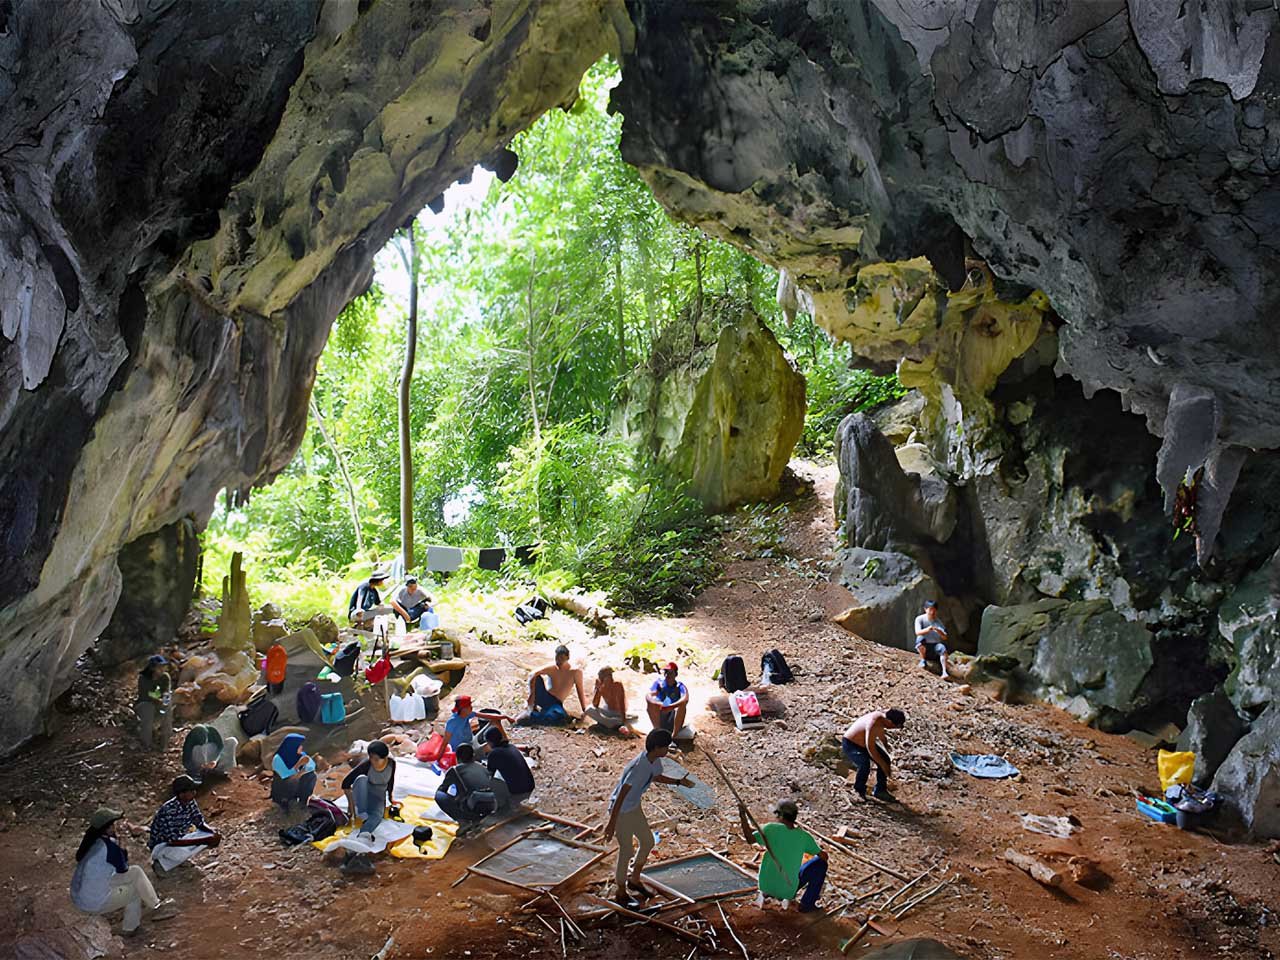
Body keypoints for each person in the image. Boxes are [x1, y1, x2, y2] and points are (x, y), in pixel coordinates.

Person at [603, 729, 693, 907]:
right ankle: (620, 891)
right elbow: (621, 794)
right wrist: (611, 823)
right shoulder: (638, 767)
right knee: (626, 850)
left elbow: (655, 776)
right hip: (621, 811)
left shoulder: (654, 761)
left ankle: (634, 879)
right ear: (657, 747)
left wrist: (677, 782)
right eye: (665, 747)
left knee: (647, 841)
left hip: (633, 807)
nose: (668, 750)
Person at [71, 807, 177, 935]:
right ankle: (130, 927)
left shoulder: (94, 841)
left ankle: (154, 904)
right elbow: (123, 868)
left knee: (136, 872)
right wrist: (122, 843)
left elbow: (121, 867)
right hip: (92, 902)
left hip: (80, 895)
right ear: (108, 828)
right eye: (115, 824)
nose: (120, 825)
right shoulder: (108, 847)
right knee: (135, 891)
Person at [739, 799, 827, 912]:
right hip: (787, 889)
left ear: (779, 815)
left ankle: (767, 894)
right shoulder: (804, 837)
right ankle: (807, 905)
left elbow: (750, 839)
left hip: (765, 885)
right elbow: (823, 857)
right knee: (820, 864)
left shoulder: (770, 829)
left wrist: (742, 816)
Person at [148, 775, 221, 874]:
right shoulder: (169, 810)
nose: (194, 792)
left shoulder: (190, 802)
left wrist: (212, 832)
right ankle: (160, 863)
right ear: (182, 794)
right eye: (191, 791)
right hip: (162, 845)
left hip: (181, 837)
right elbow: (172, 841)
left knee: (209, 835)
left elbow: (198, 821)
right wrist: (205, 840)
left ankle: (175, 861)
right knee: (185, 851)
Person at [842, 708, 906, 801]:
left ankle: (880, 791)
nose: (893, 729)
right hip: (851, 744)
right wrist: (883, 765)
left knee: (885, 759)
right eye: (894, 726)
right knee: (864, 764)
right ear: (889, 721)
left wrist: (885, 744)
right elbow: (871, 749)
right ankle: (858, 791)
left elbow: (880, 734)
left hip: (863, 744)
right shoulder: (873, 723)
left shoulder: (881, 720)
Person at [517, 644, 586, 726]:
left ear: (567, 658)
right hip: (544, 696)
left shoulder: (576, 672)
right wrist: (531, 697)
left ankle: (534, 716)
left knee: (557, 716)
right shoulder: (552, 667)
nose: (559, 662)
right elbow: (532, 674)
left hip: (556, 702)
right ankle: (533, 711)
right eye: (557, 659)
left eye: (562, 659)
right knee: (536, 678)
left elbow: (580, 691)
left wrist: (584, 710)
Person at [434, 743, 498, 827]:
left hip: (474, 805)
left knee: (439, 795)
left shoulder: (455, 770)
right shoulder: (482, 767)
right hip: (492, 804)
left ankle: (464, 821)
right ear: (473, 756)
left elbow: (443, 789)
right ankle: (479, 817)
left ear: (457, 757)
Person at [343, 741, 397, 837]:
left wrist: (390, 797)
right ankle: (360, 811)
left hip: (378, 795)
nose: (373, 761)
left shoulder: (391, 764)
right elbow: (345, 784)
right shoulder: (366, 765)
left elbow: (391, 780)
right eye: (371, 758)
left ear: (384, 758)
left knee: (377, 817)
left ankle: (363, 834)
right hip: (364, 792)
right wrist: (350, 806)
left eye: (376, 759)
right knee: (361, 779)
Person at [484, 726, 534, 809]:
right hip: (530, 786)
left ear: (490, 742)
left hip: (518, 791)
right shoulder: (512, 747)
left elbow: (489, 774)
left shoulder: (494, 753)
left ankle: (501, 804)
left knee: (491, 781)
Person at [270, 733, 318, 811]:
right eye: (299, 745)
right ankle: (284, 801)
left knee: (311, 776)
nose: (302, 747)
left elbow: (312, 766)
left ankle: (303, 800)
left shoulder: (301, 755)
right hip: (284, 786)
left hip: (296, 782)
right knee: (291, 782)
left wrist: (302, 768)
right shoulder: (278, 759)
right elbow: (287, 776)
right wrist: (298, 766)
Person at [135, 655, 172, 751]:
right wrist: (158, 701)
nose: (162, 669)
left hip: (159, 704)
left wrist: (165, 701)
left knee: (168, 710)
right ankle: (146, 744)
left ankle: (165, 743)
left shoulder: (165, 677)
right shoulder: (143, 678)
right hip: (144, 704)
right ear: (152, 668)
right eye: (159, 667)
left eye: (163, 666)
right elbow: (145, 695)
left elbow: (166, 692)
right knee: (148, 710)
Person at [585, 666, 635, 736]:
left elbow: (622, 705)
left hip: (619, 713)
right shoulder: (601, 685)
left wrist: (624, 722)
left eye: (610, 675)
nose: (610, 678)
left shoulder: (617, 684)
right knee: (588, 709)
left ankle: (610, 723)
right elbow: (595, 704)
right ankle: (610, 723)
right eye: (607, 676)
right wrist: (598, 690)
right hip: (608, 711)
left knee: (630, 718)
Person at [646, 662, 689, 735]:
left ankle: (674, 735)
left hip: (673, 714)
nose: (667, 675)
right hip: (660, 712)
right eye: (666, 672)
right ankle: (658, 732)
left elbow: (685, 698)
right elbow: (649, 695)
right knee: (651, 704)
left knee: (682, 706)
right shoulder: (659, 683)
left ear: (675, 674)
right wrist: (657, 703)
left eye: (670, 673)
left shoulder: (680, 686)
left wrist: (672, 706)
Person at [913, 600, 951, 679]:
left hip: (934, 647)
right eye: (930, 609)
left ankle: (944, 672)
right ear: (925, 609)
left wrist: (939, 631)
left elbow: (945, 637)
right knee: (920, 639)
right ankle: (922, 660)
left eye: (934, 610)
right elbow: (917, 632)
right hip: (925, 646)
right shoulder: (920, 619)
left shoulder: (938, 622)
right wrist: (928, 629)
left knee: (942, 648)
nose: (932, 612)